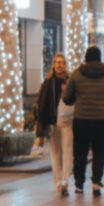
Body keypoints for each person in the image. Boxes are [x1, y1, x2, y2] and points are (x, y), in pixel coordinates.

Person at [63, 46, 104, 197]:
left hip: (82, 120)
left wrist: (77, 98)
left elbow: (67, 98)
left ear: (86, 58)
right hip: (102, 120)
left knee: (80, 152)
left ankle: (79, 184)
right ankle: (96, 183)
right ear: (100, 58)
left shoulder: (75, 75)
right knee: (100, 152)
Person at [33, 52, 74, 196]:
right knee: (56, 153)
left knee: (68, 151)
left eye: (62, 62)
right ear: (53, 65)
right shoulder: (48, 82)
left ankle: (65, 181)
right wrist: (41, 130)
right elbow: (42, 105)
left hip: (68, 121)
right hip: (52, 122)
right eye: (57, 62)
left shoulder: (71, 81)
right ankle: (58, 182)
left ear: (65, 65)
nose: (59, 65)